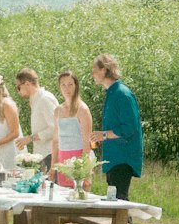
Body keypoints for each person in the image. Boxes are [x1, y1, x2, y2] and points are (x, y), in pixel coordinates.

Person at [90, 54, 143, 202]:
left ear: (104, 70)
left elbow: (130, 128)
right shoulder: (111, 93)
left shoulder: (122, 94)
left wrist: (104, 135)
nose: (92, 74)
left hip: (123, 157)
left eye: (94, 70)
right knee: (114, 201)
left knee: (120, 201)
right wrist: (100, 138)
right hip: (112, 156)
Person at [53, 68, 93, 188]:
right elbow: (55, 141)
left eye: (70, 84)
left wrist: (83, 167)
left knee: (80, 196)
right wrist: (53, 165)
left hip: (79, 158)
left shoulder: (82, 109)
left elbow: (87, 141)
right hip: (63, 158)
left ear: (76, 86)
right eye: (63, 85)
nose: (67, 88)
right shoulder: (58, 110)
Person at [15, 67, 57, 171]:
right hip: (41, 154)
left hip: (50, 153)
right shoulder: (36, 100)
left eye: (18, 87)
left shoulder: (45, 99)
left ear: (27, 84)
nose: (18, 91)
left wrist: (29, 138)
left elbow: (55, 128)